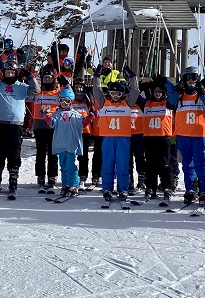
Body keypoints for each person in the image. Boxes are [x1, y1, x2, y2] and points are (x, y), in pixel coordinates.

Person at [0, 60, 40, 198]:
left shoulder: (21, 86)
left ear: (16, 73)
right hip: (0, 124)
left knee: (14, 153)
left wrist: (30, 77)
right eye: (7, 72)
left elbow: (36, 90)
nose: (10, 75)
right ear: (3, 73)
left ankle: (13, 180)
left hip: (16, 125)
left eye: (12, 72)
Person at [92, 65, 139, 202]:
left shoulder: (127, 103)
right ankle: (107, 188)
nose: (115, 96)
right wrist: (96, 77)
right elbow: (96, 91)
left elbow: (135, 91)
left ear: (121, 94)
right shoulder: (104, 102)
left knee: (123, 164)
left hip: (123, 138)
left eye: (118, 94)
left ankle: (123, 188)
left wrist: (133, 78)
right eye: (113, 93)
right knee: (107, 163)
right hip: (108, 138)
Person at [167, 66, 205, 206]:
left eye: (194, 77)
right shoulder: (180, 95)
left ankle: (204, 190)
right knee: (187, 165)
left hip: (199, 135)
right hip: (183, 134)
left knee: (200, 164)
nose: (191, 81)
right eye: (188, 77)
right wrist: (176, 89)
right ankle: (190, 189)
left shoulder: (201, 94)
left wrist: (202, 91)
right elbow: (170, 103)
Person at [44, 88, 94, 198]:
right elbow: (52, 123)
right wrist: (46, 116)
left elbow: (83, 123)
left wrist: (90, 117)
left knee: (71, 165)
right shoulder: (57, 114)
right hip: (61, 144)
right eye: (62, 101)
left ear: (71, 102)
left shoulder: (75, 114)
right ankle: (65, 185)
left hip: (71, 145)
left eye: (66, 101)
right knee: (63, 166)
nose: (64, 103)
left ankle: (74, 185)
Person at [138, 77, 176, 201]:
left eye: (159, 91)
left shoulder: (168, 103)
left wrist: (165, 82)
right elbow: (136, 96)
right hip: (149, 138)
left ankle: (167, 186)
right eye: (155, 91)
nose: (157, 94)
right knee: (150, 164)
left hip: (163, 137)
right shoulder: (147, 103)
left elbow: (174, 94)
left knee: (165, 164)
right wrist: (137, 84)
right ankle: (151, 187)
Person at [32, 67, 62, 191]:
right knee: (40, 152)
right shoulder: (38, 92)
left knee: (52, 152)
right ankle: (40, 175)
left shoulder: (57, 92)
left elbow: (69, 95)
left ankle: (52, 176)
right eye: (45, 78)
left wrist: (64, 82)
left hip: (52, 125)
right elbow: (31, 86)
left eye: (49, 78)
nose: (47, 79)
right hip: (39, 124)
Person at [69, 77, 94, 191]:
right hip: (72, 130)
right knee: (71, 154)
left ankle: (82, 177)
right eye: (77, 87)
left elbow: (93, 106)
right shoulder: (71, 99)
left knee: (83, 156)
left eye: (81, 87)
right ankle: (71, 177)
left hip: (84, 130)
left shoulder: (86, 100)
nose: (78, 89)